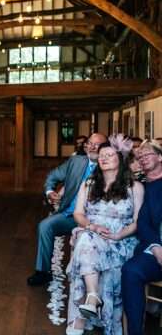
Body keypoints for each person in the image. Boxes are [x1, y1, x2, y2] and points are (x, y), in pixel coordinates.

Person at [65, 137, 143, 335]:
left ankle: (83, 313)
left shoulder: (134, 187)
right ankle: (92, 297)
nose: (104, 158)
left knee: (84, 241)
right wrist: (92, 226)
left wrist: (118, 235)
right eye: (101, 156)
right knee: (86, 237)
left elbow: (136, 222)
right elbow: (78, 214)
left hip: (120, 239)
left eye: (109, 155)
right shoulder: (89, 184)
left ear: (121, 159)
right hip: (93, 231)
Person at [27, 132, 107, 286]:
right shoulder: (75, 161)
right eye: (90, 143)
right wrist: (50, 191)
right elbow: (52, 176)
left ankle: (89, 278)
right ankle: (43, 272)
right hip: (70, 215)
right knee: (45, 226)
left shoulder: (110, 165)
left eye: (97, 144)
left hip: (95, 219)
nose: (92, 147)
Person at [122, 140, 162, 335]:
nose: (143, 158)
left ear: (160, 157)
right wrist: (156, 247)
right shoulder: (143, 186)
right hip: (156, 249)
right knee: (131, 270)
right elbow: (143, 223)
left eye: (147, 154)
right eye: (140, 156)